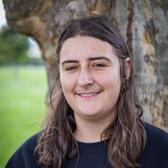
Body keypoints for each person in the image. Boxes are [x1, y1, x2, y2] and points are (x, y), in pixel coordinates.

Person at [5, 15, 168, 168]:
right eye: (71, 67)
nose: (84, 80)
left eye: (99, 65)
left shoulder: (162, 151)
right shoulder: (29, 158)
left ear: (125, 69)